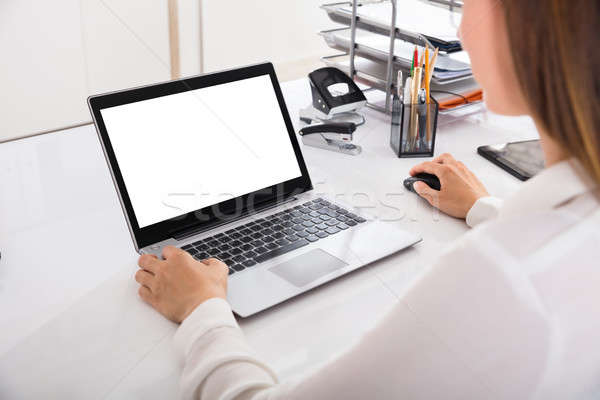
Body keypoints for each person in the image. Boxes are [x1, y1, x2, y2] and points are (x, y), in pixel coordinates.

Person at [134, 0, 600, 398]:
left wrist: (201, 312)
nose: (460, 30)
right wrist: (486, 209)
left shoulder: (503, 277)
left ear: (529, 25)